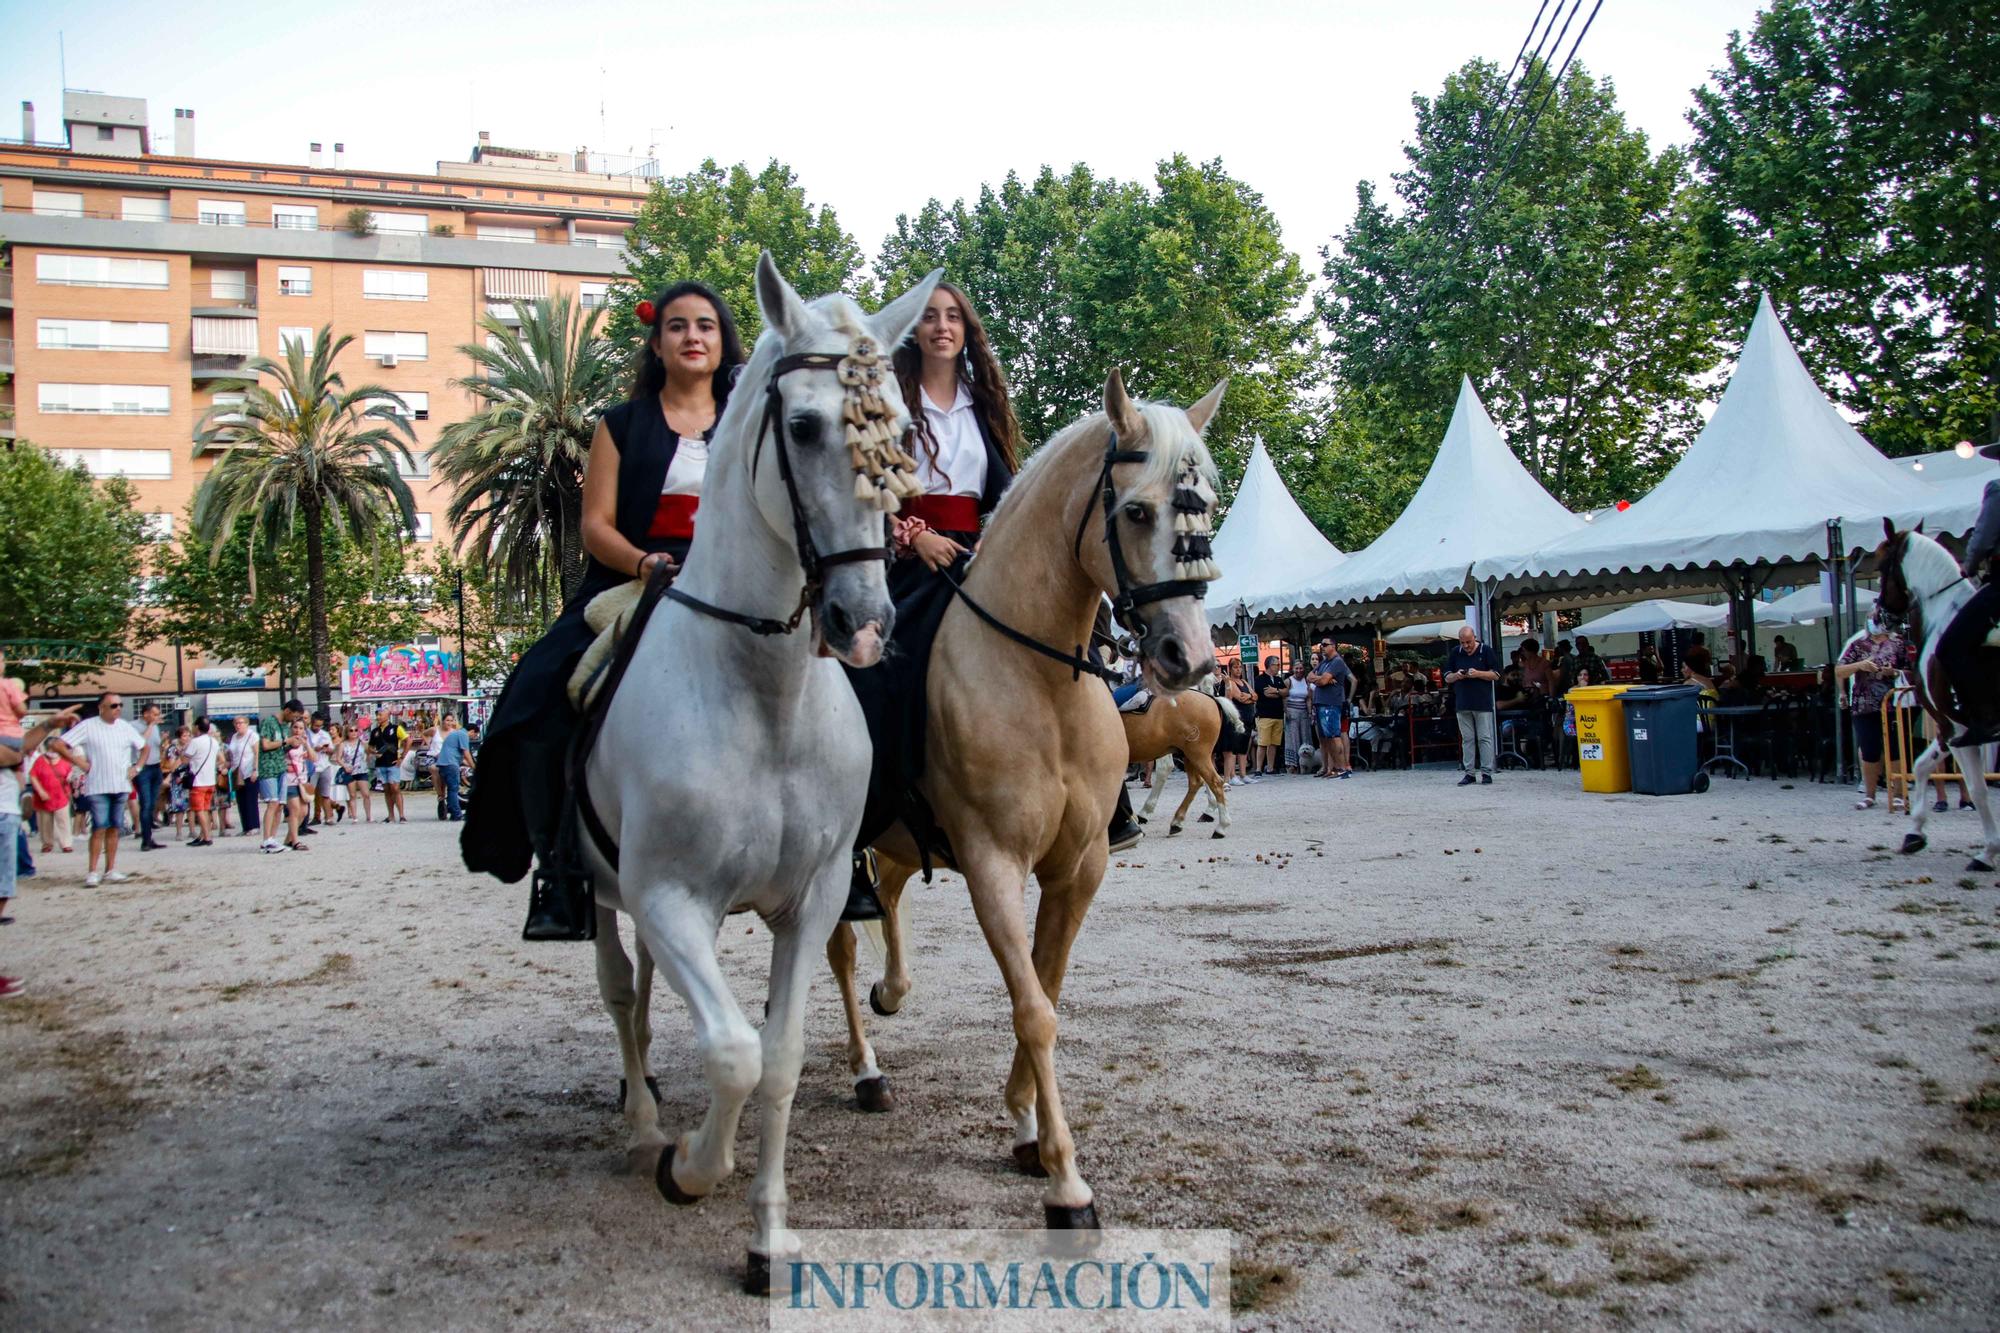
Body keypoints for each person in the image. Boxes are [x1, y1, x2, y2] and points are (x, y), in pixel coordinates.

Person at [464, 281, 745, 940]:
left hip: (736, 584)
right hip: (638, 577)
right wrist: (645, 562)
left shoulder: (749, 420)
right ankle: (561, 862)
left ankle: (850, 851)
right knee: (539, 692)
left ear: (724, 341)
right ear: (657, 342)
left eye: (706, 325)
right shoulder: (619, 426)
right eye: (678, 326)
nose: (693, 336)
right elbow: (596, 526)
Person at [1, 706, 82, 997]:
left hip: (6, 808)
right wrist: (15, 755)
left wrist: (48, 724)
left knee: (3, 890)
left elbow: (19, 748)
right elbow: (13, 753)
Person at [48, 693, 147, 886]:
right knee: (99, 827)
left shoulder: (124, 727)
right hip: (98, 784)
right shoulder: (89, 725)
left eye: (120, 705)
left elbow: (144, 747)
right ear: (101, 707)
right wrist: (79, 762)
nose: (118, 708)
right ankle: (92, 871)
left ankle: (110, 869)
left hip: (120, 783)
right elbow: (58, 744)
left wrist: (138, 767)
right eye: (113, 705)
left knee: (114, 828)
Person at [1938, 440, 2000, 746]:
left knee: (1950, 646)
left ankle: (1984, 718)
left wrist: (1969, 567)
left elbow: (1984, 537)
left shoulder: (1997, 489)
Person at [1836, 617, 1906, 810]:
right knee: (1869, 749)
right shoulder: (1858, 644)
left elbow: (1909, 670)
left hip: (1891, 702)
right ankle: (1870, 795)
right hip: (1863, 704)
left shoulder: (1898, 643)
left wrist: (1893, 672)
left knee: (1895, 748)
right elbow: (1840, 670)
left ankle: (1900, 794)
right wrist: (1860, 666)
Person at [1445, 624, 1500, 785]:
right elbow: (1447, 676)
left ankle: (1486, 772)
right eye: (1463, 642)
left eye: (1468, 642)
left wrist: (1478, 673)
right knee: (1467, 739)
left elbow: (1496, 674)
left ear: (1474, 637)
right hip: (1462, 702)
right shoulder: (1455, 652)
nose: (1466, 646)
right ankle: (1469, 772)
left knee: (1484, 738)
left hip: (1482, 702)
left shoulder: (1486, 650)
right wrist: (1456, 675)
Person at [257, 699, 305, 852]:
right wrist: (286, 741)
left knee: (279, 805)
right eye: (294, 716)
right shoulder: (269, 722)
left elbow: (282, 748)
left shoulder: (285, 727)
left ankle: (273, 838)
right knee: (272, 803)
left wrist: (292, 745)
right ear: (287, 711)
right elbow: (265, 745)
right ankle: (266, 840)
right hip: (268, 767)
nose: (294, 720)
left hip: (280, 767)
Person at [1309, 638, 1354, 779]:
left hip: (1331, 703)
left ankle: (1342, 768)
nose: (1322, 647)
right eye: (1320, 644)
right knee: (1326, 738)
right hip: (1321, 703)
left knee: (1334, 736)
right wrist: (1322, 678)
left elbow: (1321, 681)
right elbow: (1309, 676)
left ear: (1333, 646)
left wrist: (1321, 679)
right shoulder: (1324, 662)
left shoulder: (1337, 662)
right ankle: (1333, 768)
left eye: (1325, 645)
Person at [29, 739, 74, 854]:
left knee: (63, 820)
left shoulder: (65, 759)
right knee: (45, 821)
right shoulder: (40, 760)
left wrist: (70, 777)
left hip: (61, 795)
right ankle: (47, 843)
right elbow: (33, 776)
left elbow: (71, 771)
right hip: (44, 796)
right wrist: (40, 791)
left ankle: (66, 844)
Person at [132, 702, 166, 851]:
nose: (157, 717)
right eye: (154, 714)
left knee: (152, 804)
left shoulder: (156, 727)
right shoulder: (133, 726)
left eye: (158, 714)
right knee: (145, 804)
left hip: (155, 766)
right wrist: (151, 725)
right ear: (145, 714)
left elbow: (155, 745)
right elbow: (139, 742)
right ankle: (145, 840)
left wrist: (163, 741)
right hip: (142, 768)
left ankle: (150, 837)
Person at [1218, 658, 1257, 786]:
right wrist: (1249, 697)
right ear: (1230, 668)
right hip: (1237, 718)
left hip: (1248, 717)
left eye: (1240, 667)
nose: (1238, 669)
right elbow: (1240, 698)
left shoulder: (1244, 681)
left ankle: (1243, 774)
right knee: (1234, 747)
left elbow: (1255, 696)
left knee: (1244, 748)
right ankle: (1232, 775)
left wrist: (1250, 697)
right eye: (1235, 667)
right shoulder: (1230, 682)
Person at [183, 716, 220, 846]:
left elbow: (185, 759)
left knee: (199, 810)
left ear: (197, 727)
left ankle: (207, 837)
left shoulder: (195, 742)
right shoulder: (214, 742)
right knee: (206, 809)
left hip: (198, 781)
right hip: (210, 780)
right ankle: (202, 835)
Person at [434, 712, 473, 821]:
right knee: (453, 789)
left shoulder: (455, 734)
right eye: (475, 735)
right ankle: (456, 814)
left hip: (443, 764)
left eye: (452, 720)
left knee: (451, 789)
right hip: (450, 765)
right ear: (472, 731)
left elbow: (459, 755)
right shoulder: (463, 735)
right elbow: (466, 753)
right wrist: (474, 766)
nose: (474, 737)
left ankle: (451, 810)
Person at [1253, 654, 1287, 776]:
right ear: (1269, 665)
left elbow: (1285, 692)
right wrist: (1279, 693)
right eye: (1276, 664)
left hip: (1278, 715)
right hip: (1265, 715)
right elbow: (1266, 694)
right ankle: (1258, 768)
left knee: (1274, 743)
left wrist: (1277, 691)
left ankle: (1270, 768)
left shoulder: (1278, 679)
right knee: (1263, 743)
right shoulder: (1260, 679)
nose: (1278, 667)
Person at [372, 708, 407, 823]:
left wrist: (401, 757)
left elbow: (408, 740)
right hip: (381, 764)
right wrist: (374, 753)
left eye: (380, 715)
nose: (378, 717)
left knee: (395, 788)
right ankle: (390, 815)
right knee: (386, 789)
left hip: (393, 763)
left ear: (387, 715)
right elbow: (370, 746)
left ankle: (401, 815)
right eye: (377, 715)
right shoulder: (375, 731)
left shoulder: (396, 728)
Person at [228, 715, 260, 838]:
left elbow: (257, 753)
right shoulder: (234, 737)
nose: (238, 725)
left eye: (241, 723)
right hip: (237, 772)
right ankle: (246, 826)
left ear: (247, 724)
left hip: (249, 770)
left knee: (251, 799)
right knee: (241, 800)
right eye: (236, 723)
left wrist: (255, 770)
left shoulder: (252, 736)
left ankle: (254, 825)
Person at [1283, 659, 1313, 775]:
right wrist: (1286, 711)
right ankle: (1292, 764)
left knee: (1305, 738)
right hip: (1292, 711)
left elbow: (1308, 698)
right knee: (1293, 738)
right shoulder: (1288, 681)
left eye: (1301, 668)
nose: (1299, 670)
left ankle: (1306, 763)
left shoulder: (1306, 681)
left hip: (1304, 711)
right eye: (1296, 668)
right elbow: (1284, 697)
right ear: (1292, 669)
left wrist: (1310, 713)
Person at [342, 724, 375, 823]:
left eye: (356, 730)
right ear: (347, 733)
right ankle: (354, 817)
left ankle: (369, 816)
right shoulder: (343, 744)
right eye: (351, 730)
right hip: (350, 771)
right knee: (352, 795)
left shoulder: (362, 743)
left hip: (361, 770)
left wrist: (367, 761)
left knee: (366, 794)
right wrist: (345, 766)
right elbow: (338, 758)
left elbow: (369, 752)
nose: (353, 732)